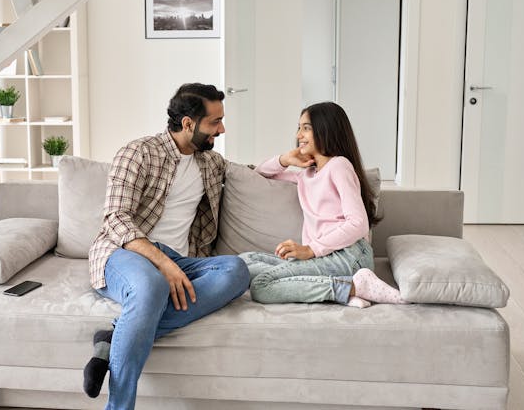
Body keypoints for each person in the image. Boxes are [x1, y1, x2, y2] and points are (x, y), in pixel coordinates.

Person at [83, 83, 250, 410]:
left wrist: (286, 161)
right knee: (152, 286)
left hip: (180, 259)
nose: (222, 129)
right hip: (125, 253)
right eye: (215, 122)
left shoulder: (210, 163)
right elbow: (116, 218)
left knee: (237, 271)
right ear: (188, 124)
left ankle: (113, 338)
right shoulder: (139, 152)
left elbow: (251, 174)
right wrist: (164, 264)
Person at [239, 102, 407, 308]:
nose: (299, 134)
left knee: (261, 286)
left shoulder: (339, 166)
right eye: (299, 127)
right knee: (241, 262)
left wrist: (310, 249)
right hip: (321, 258)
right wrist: (285, 159)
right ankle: (346, 287)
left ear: (326, 129)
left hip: (349, 254)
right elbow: (258, 173)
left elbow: (359, 223)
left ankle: (352, 288)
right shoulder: (305, 175)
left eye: (306, 128)